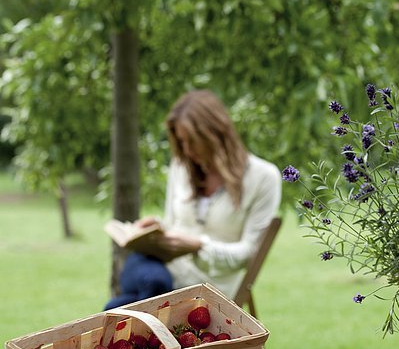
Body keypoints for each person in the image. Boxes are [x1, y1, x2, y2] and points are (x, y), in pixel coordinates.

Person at [104, 90, 281, 309]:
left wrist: (198, 246)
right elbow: (174, 223)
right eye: (181, 142)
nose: (187, 151)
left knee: (118, 308)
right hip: (161, 270)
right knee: (150, 284)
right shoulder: (182, 167)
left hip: (207, 288)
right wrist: (157, 229)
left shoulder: (263, 177)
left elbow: (248, 255)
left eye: (192, 141)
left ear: (215, 134)